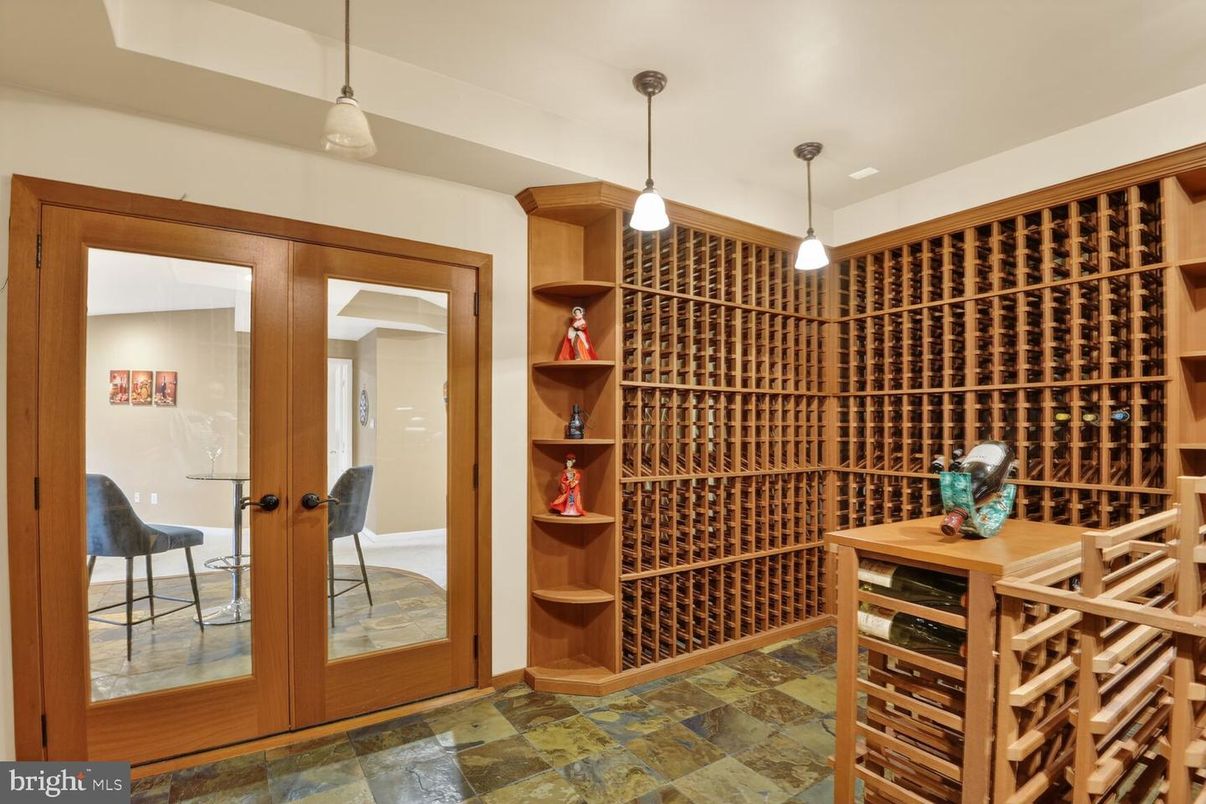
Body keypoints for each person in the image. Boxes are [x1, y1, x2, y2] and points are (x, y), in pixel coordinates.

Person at [548, 452, 586, 517]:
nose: (569, 464)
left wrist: (575, 480)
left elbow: (578, 476)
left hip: (575, 486)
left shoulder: (575, 471)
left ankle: (574, 510)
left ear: (573, 462)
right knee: (570, 498)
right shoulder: (565, 471)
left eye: (570, 462)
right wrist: (567, 482)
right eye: (568, 462)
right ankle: (569, 510)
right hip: (569, 487)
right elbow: (563, 480)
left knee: (575, 498)